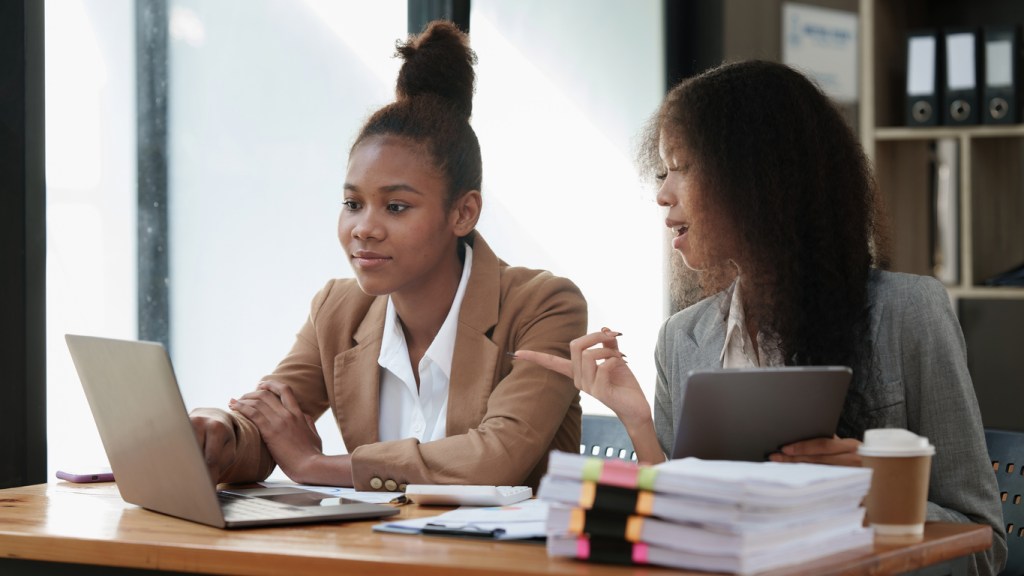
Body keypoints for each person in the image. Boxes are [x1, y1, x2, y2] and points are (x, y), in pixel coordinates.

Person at [516, 60, 1006, 576]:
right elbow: (678, 537)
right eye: (663, 171)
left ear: (757, 177)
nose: (662, 193)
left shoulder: (909, 313)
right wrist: (636, 420)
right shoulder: (681, 340)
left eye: (682, 166)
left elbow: (985, 545)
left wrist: (874, 499)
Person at [189, 21, 585, 492]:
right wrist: (218, 427)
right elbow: (271, 426)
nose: (364, 228)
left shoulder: (544, 306)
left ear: (463, 212)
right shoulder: (338, 309)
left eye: (396, 207)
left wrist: (318, 466)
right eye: (353, 204)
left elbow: (494, 459)